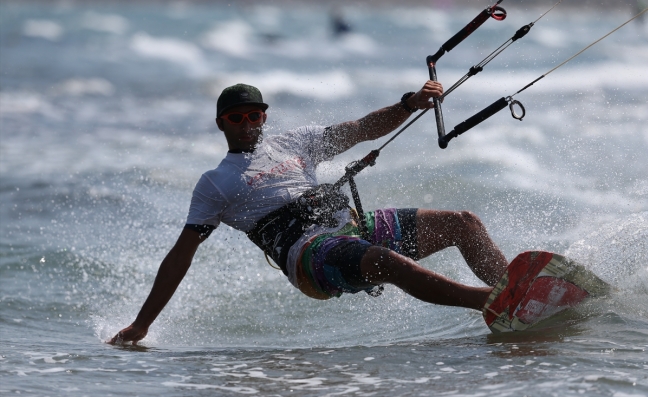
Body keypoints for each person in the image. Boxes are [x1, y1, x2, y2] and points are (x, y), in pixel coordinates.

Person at [109, 81, 509, 345]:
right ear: (221, 124)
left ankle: (519, 291)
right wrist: (142, 324)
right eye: (236, 118)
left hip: (352, 228)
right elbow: (181, 255)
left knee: (464, 224)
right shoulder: (216, 183)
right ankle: (495, 302)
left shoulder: (296, 142)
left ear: (264, 115)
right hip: (308, 257)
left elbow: (363, 128)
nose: (247, 123)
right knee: (387, 261)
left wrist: (409, 103)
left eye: (255, 115)